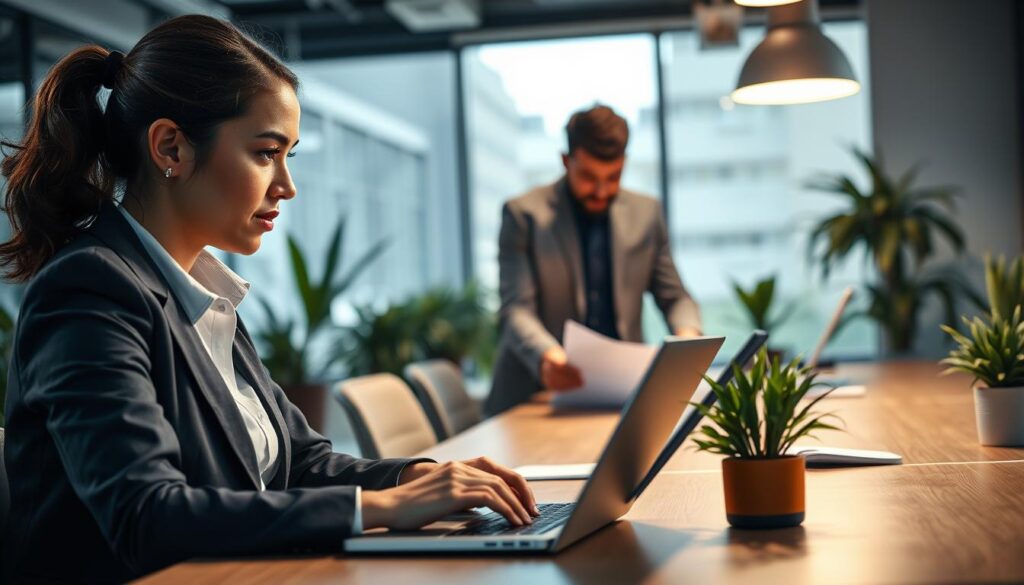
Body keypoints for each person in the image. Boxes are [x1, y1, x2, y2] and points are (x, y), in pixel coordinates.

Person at [0, 15, 536, 583]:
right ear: (171, 147)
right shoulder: (88, 290)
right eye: (265, 152)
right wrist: (377, 509)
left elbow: (300, 462)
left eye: (290, 155)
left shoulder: (203, 292)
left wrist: (420, 480)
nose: (287, 185)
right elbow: (146, 514)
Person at [486, 105, 702, 416]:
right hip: (537, 398)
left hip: (625, 398)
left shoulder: (646, 214)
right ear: (565, 161)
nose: (601, 191)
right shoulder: (524, 215)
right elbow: (517, 308)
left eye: (613, 177)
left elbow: (675, 296)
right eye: (588, 177)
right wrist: (546, 355)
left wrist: (687, 339)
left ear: (624, 163)